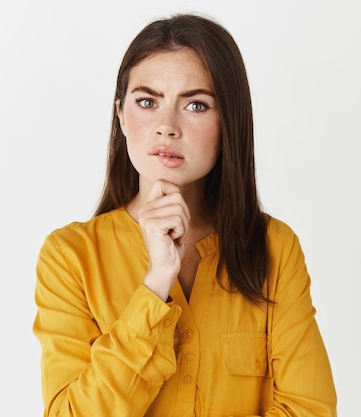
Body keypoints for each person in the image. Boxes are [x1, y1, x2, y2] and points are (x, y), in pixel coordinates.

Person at [33, 13, 337, 417]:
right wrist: (156, 284)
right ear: (121, 115)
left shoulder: (275, 248)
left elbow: (309, 409)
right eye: (147, 101)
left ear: (228, 121)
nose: (166, 127)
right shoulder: (71, 256)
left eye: (195, 104)